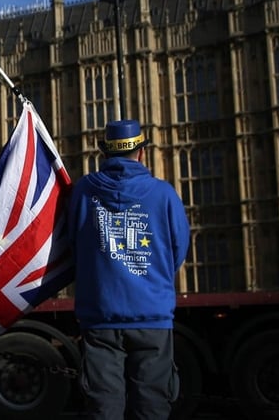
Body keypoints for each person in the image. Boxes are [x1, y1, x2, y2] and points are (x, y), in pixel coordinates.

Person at [67, 119, 191, 420]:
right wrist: (150, 278)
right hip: (152, 318)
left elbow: (73, 243)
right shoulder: (163, 194)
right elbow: (179, 250)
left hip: (100, 316)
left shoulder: (83, 191)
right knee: (152, 408)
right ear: (142, 152)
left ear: (105, 154)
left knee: (104, 408)